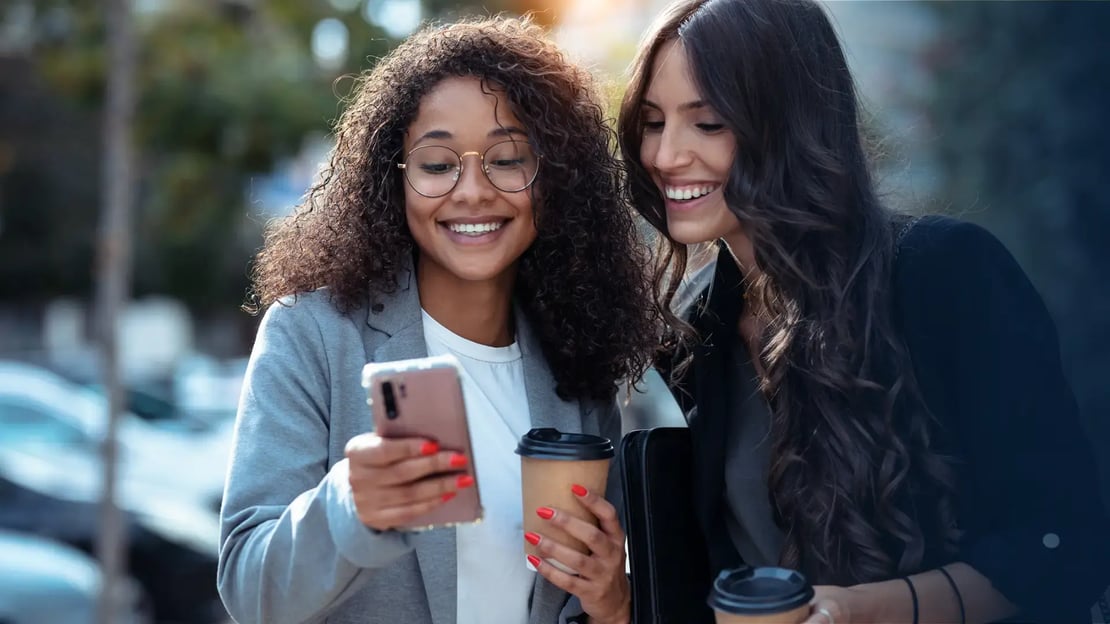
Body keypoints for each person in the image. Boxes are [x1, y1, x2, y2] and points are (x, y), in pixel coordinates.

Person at [616, 0, 1110, 622]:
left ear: (790, 124)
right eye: (653, 122)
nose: (664, 155)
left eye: (708, 123)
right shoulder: (695, 330)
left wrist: (857, 611)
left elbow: (1062, 543)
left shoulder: (944, 275)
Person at [218, 16, 654, 624]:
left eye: (507, 159)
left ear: (554, 180)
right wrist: (350, 504)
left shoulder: (576, 363)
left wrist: (614, 602)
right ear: (392, 181)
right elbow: (249, 590)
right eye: (436, 164)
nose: (472, 191)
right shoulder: (314, 334)